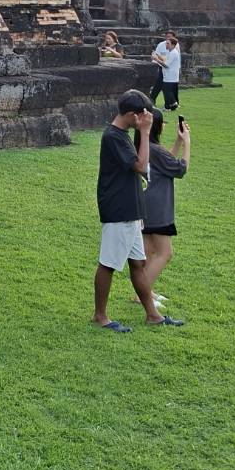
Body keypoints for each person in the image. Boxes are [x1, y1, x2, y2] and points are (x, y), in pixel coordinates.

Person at [93, 89, 184, 332]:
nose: (146, 119)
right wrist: (144, 132)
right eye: (143, 115)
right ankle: (100, 316)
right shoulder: (113, 136)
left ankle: (153, 315)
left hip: (131, 210)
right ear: (133, 115)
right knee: (108, 264)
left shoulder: (122, 135)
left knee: (138, 264)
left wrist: (140, 213)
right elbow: (142, 166)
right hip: (119, 209)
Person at [134, 108, 190, 308]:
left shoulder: (143, 146)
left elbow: (165, 164)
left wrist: (178, 142)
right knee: (165, 253)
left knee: (148, 251)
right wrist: (188, 143)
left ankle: (146, 291)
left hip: (145, 205)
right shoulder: (154, 149)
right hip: (158, 208)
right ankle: (142, 295)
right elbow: (180, 169)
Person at [148, 32, 182, 110]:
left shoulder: (173, 53)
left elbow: (166, 65)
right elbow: (165, 60)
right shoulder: (170, 52)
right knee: (167, 90)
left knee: (167, 91)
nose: (166, 45)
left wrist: (157, 59)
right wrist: (157, 56)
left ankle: (170, 105)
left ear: (173, 45)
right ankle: (172, 104)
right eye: (166, 43)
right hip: (168, 75)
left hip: (170, 75)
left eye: (168, 44)